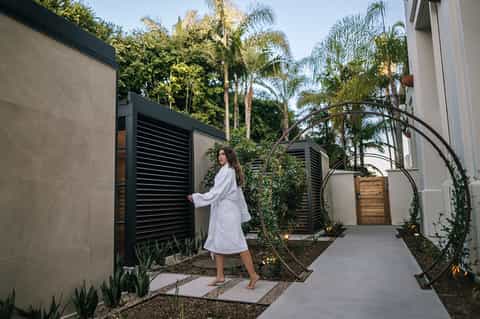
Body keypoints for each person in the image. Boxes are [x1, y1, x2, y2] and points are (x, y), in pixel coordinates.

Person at [187, 146, 260, 289]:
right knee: (217, 243)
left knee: (239, 243)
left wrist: (197, 198)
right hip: (221, 212)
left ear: (229, 156)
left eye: (223, 154)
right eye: (219, 154)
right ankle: (220, 276)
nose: (220, 157)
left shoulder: (228, 171)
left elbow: (217, 192)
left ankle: (253, 275)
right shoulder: (225, 170)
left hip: (228, 213)